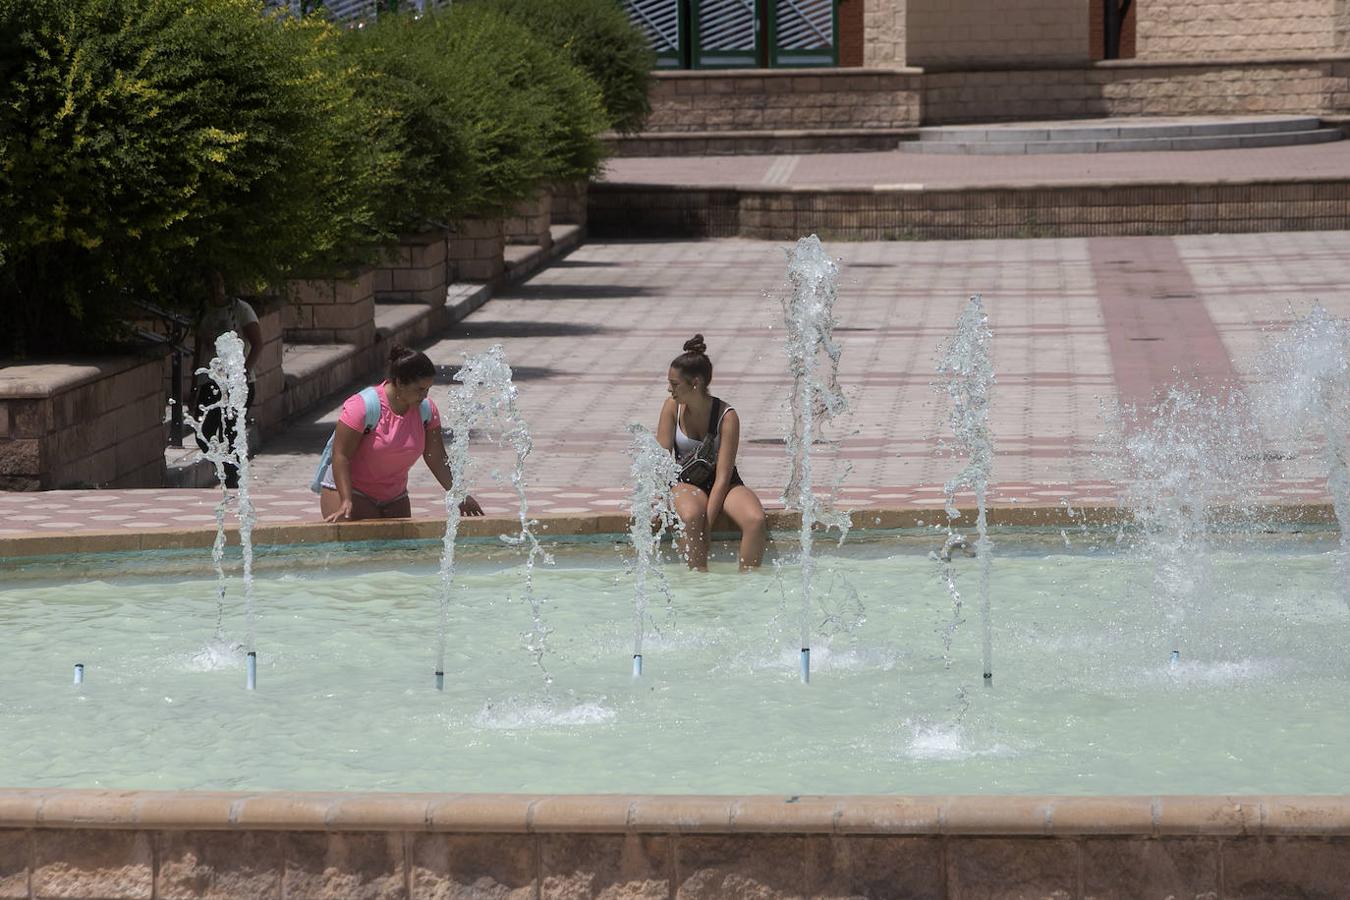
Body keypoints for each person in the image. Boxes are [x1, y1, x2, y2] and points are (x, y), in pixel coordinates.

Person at [318, 346, 484, 522]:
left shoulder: (426, 410)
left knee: (400, 550)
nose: (424, 395)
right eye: (419, 389)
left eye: (427, 389)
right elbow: (341, 455)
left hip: (394, 496)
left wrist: (458, 493)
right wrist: (346, 499)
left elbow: (435, 457)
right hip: (352, 493)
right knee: (360, 549)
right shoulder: (362, 407)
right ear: (398, 382)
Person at [656, 334, 768, 571]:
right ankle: (699, 581)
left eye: (675, 384)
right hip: (685, 481)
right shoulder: (671, 407)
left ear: (695, 383)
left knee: (755, 521)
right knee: (692, 517)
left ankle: (750, 582)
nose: (669, 389)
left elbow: (724, 477)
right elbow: (659, 456)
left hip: (723, 482)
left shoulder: (727, 417)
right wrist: (657, 500)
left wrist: (710, 521)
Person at [193, 271, 262, 489]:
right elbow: (198, 351)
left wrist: (243, 373)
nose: (215, 288)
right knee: (204, 432)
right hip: (210, 381)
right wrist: (193, 386)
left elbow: (258, 343)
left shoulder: (240, 309)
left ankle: (234, 481)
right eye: (210, 284)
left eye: (218, 282)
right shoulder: (203, 310)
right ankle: (226, 470)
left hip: (237, 382)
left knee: (232, 432)